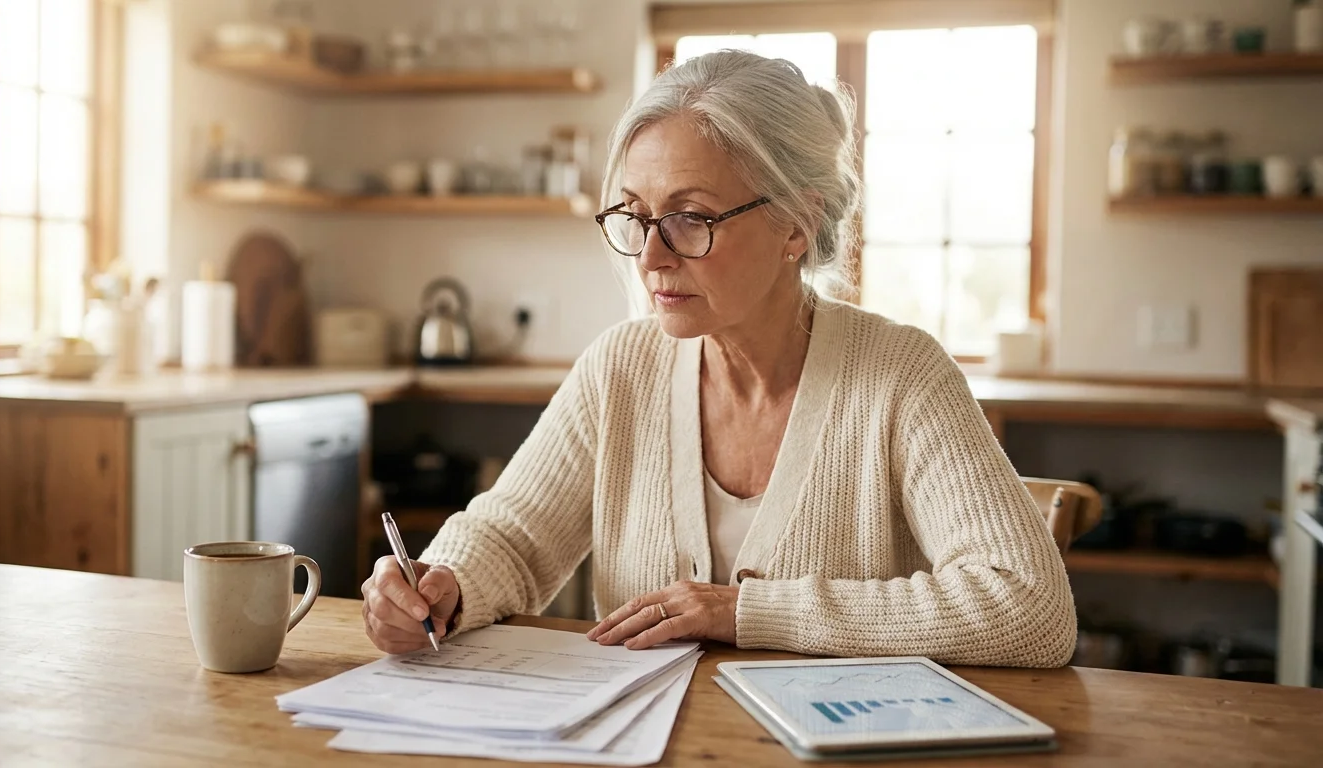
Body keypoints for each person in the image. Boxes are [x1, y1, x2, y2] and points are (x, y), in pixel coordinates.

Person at [361, 50, 1076, 668]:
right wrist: (443, 584)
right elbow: (513, 539)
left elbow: (1030, 607)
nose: (650, 257)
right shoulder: (621, 368)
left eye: (690, 218)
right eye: (636, 217)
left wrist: (744, 612)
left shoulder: (901, 375)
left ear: (796, 224)